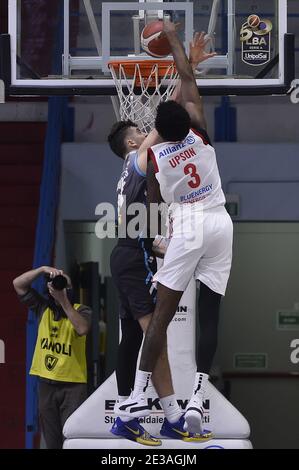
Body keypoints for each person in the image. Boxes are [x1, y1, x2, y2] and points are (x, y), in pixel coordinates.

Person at [118, 22, 234, 435]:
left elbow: (147, 170)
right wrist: (177, 45)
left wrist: (153, 236)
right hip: (222, 222)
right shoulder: (201, 134)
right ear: (186, 120)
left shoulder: (152, 157)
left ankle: (134, 399)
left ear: (159, 130)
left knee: (162, 317)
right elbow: (185, 82)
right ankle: (198, 397)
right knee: (211, 312)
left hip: (188, 225)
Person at [13, 266, 92, 449]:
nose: (61, 288)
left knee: (72, 438)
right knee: (52, 441)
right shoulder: (42, 308)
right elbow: (18, 284)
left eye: (65, 284)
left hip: (73, 386)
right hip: (46, 384)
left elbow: (82, 329)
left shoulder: (82, 310)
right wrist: (41, 270)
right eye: (57, 285)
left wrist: (63, 300)